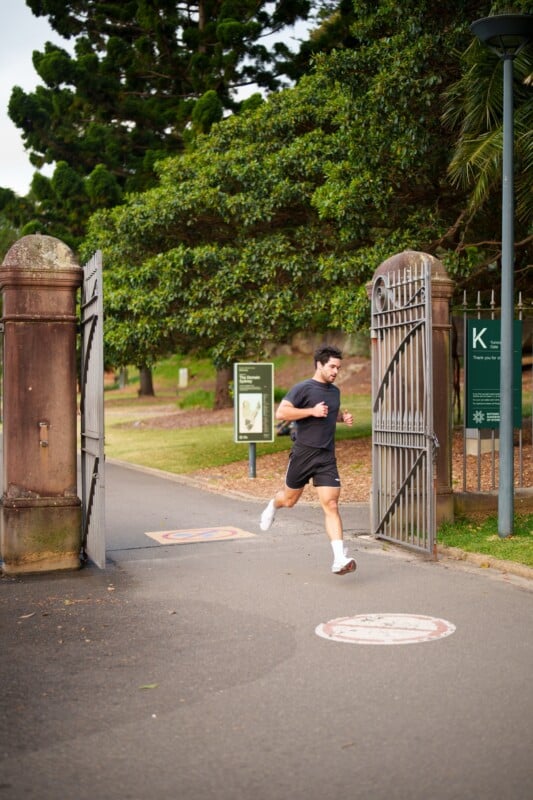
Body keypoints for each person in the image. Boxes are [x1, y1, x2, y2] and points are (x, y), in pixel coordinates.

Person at [259, 344, 356, 576]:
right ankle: (273, 505)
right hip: (303, 454)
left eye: (338, 368)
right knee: (289, 500)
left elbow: (329, 414)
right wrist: (310, 411)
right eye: (331, 366)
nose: (335, 371)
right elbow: (281, 413)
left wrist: (343, 417)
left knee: (331, 504)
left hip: (326, 456)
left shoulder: (335, 392)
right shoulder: (303, 388)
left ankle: (338, 558)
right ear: (319, 365)